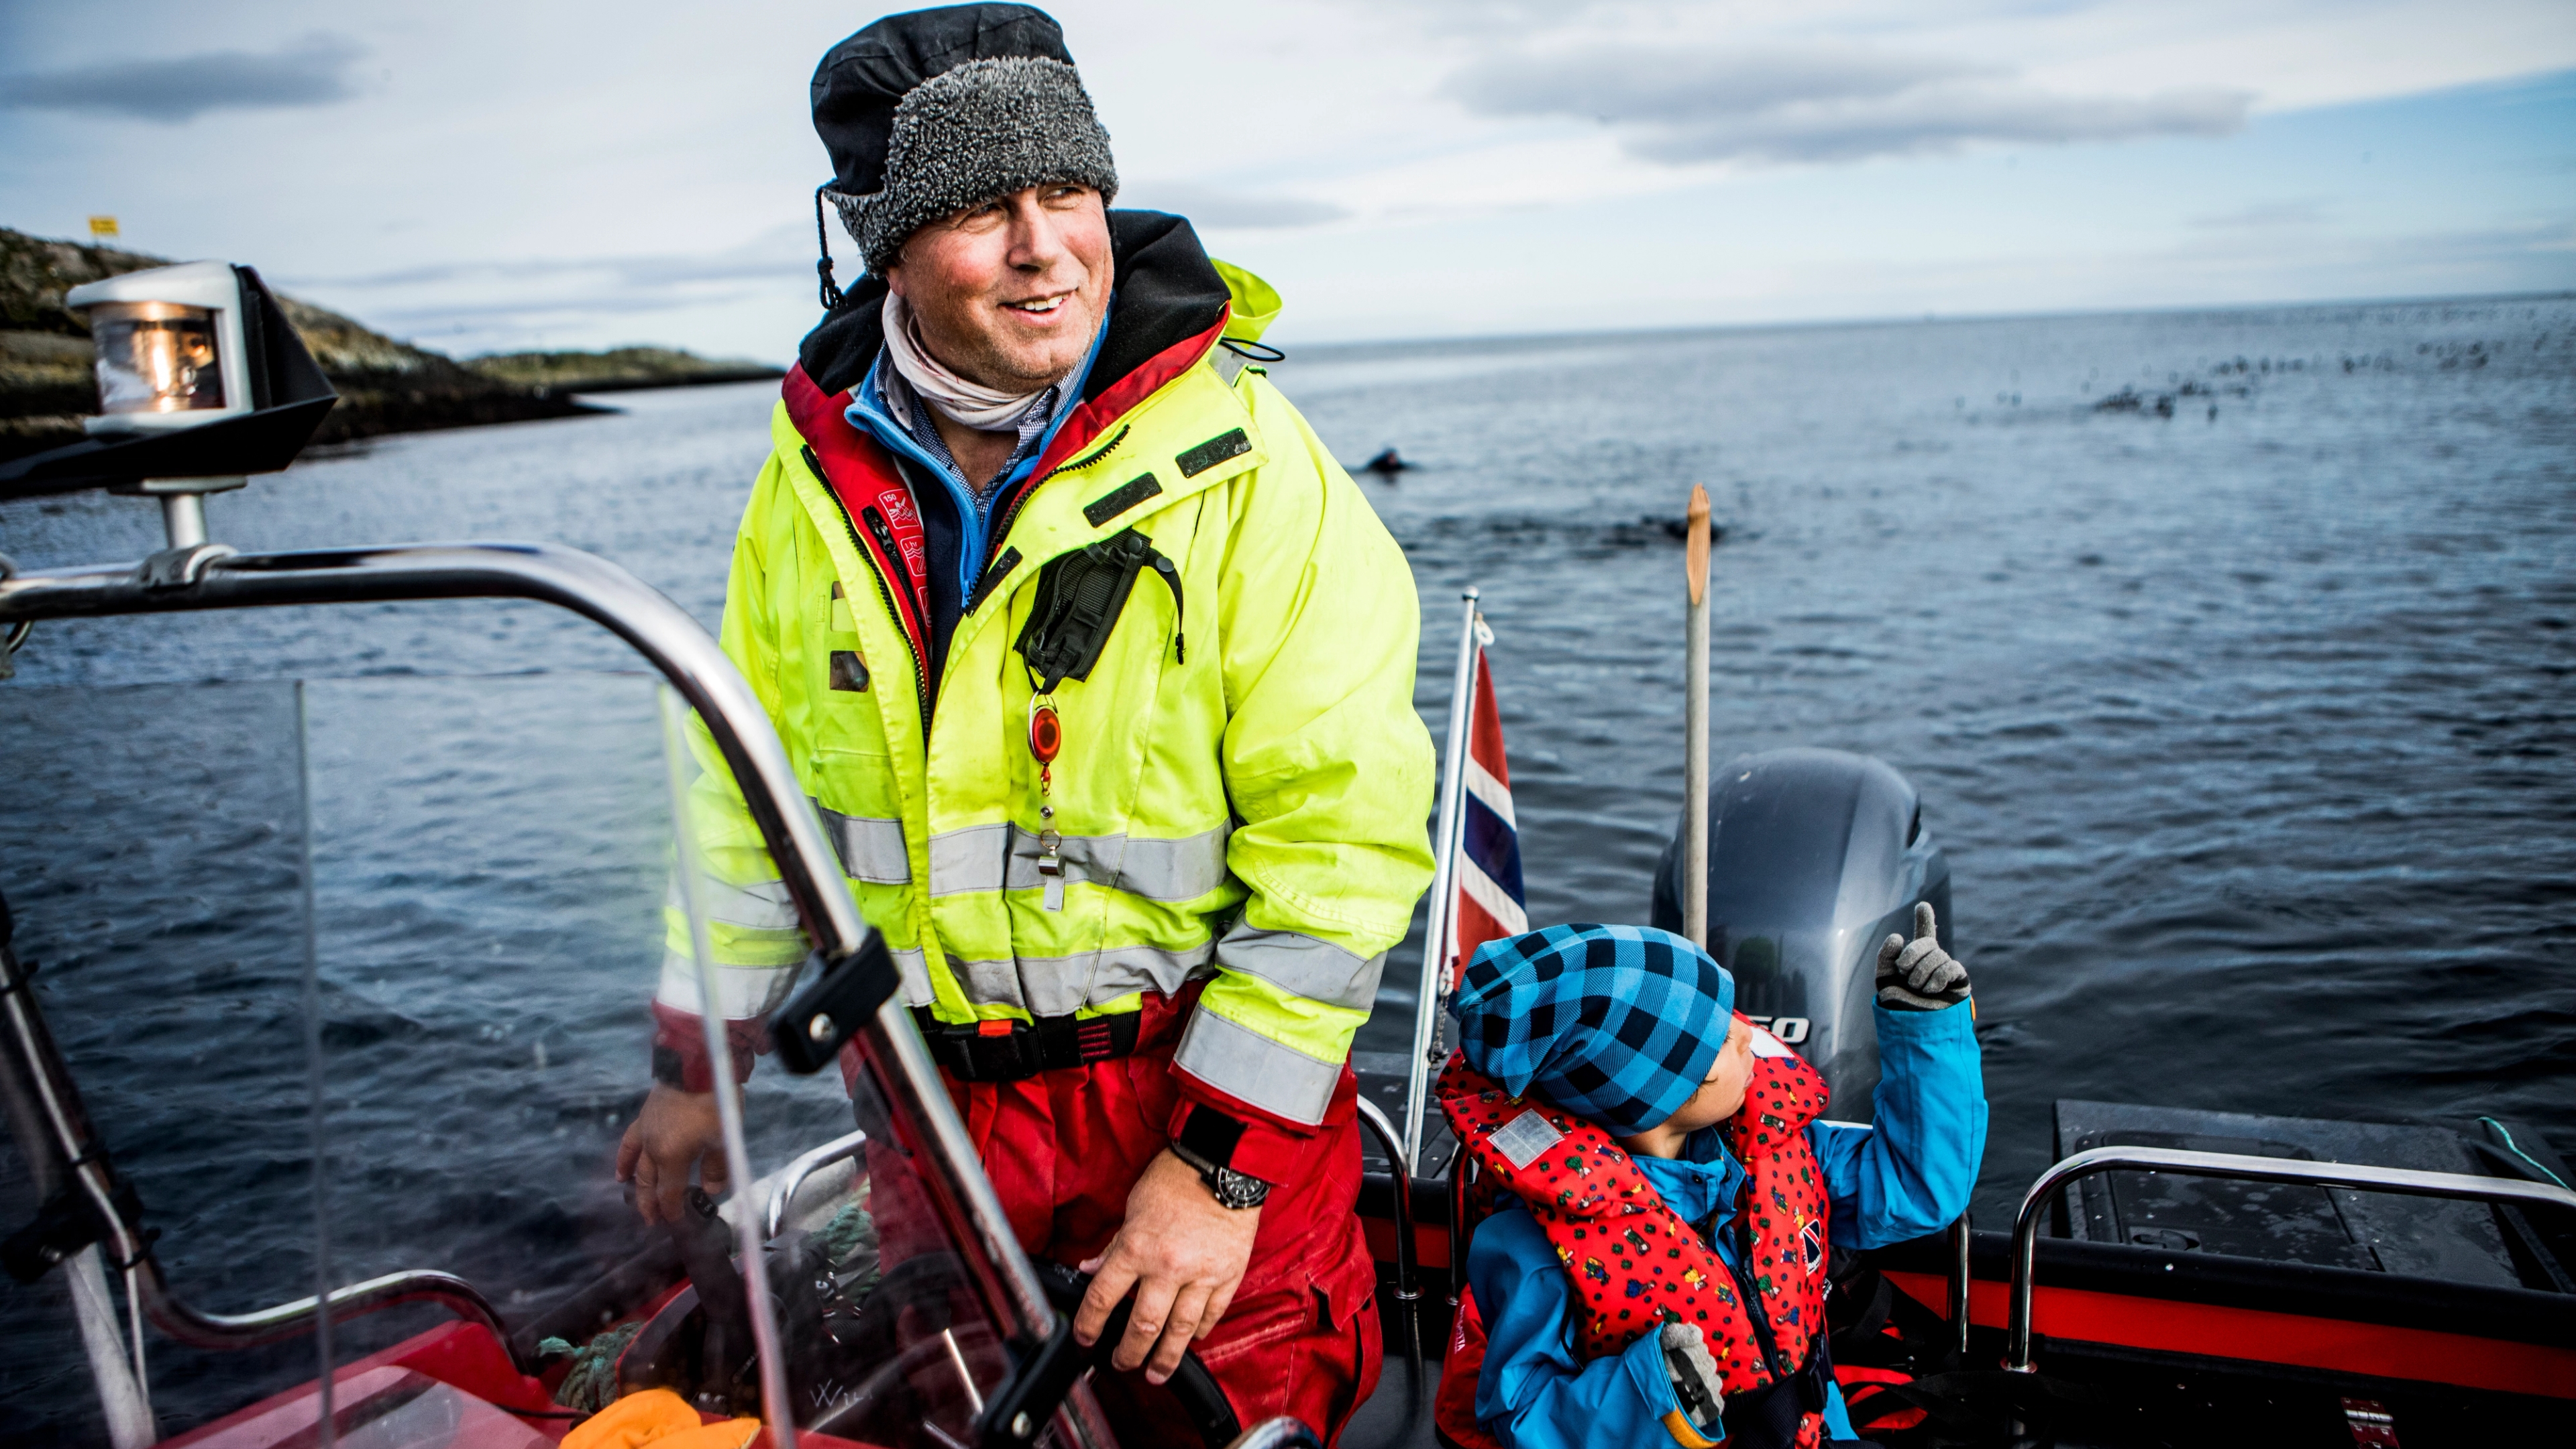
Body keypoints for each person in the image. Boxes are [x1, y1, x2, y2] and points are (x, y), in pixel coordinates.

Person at [614, 4, 1434, 1438]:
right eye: (982, 210)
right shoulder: (805, 492)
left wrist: (1221, 1169)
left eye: (1067, 194)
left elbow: (1345, 848)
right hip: (932, 1144)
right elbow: (741, 810)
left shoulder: (1254, 473)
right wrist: (697, 1074)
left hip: (1192, 1123)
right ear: (887, 247)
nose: (1044, 244)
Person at [1435, 908, 1984, 1449]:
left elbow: (1917, 1190)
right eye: (1718, 1039)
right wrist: (1649, 1393)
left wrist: (1926, 1030)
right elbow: (1520, 1412)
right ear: (1652, 1098)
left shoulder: (1776, 1150)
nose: (1748, 1033)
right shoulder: (1537, 1245)